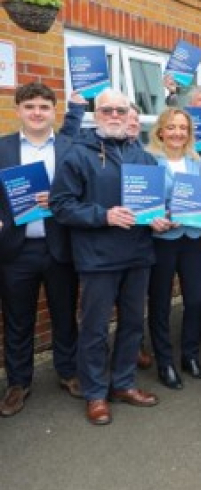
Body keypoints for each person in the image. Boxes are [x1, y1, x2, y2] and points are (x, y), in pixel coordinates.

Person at [51, 88, 163, 426]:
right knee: (96, 329)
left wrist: (157, 218)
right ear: (95, 114)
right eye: (107, 110)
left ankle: (124, 384)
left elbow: (151, 205)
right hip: (98, 257)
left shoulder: (143, 157)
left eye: (121, 110)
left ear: (130, 113)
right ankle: (95, 393)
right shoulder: (77, 154)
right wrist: (104, 215)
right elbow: (61, 205)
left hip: (138, 254)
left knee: (132, 324)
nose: (115, 116)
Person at [0, 83, 83, 417]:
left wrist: (60, 199)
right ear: (18, 110)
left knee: (65, 314)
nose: (37, 112)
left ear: (54, 111)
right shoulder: (2, 147)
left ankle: (68, 372)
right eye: (30, 106)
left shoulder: (70, 146)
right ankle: (18, 383)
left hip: (59, 246)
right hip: (15, 250)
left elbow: (85, 190)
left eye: (44, 107)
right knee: (17, 319)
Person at [144, 108, 201, 390]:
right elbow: (141, 200)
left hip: (192, 236)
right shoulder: (149, 160)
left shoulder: (197, 160)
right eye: (171, 127)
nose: (177, 133)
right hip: (162, 240)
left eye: (183, 128)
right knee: (159, 303)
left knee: (195, 299)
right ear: (160, 131)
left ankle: (190, 356)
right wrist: (155, 218)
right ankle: (165, 362)